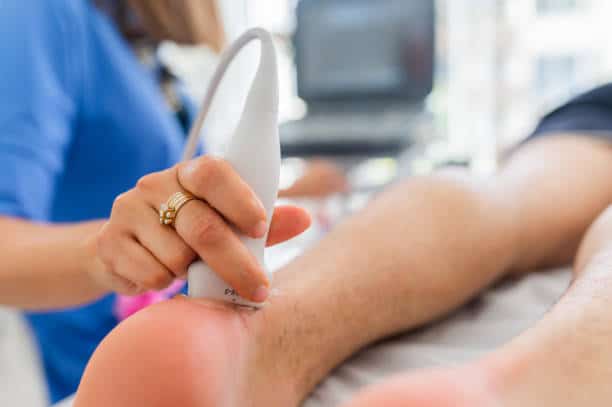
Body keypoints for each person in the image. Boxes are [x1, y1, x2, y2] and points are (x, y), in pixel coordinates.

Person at [73, 83, 612, 407]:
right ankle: (536, 385)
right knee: (510, 197)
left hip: (588, 123)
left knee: (506, 199)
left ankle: (263, 333)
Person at [0, 0, 311, 403]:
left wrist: (283, 195)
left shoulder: (144, 56)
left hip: (212, 358)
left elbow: (179, 203)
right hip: (125, 378)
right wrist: (106, 252)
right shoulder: (40, 16)